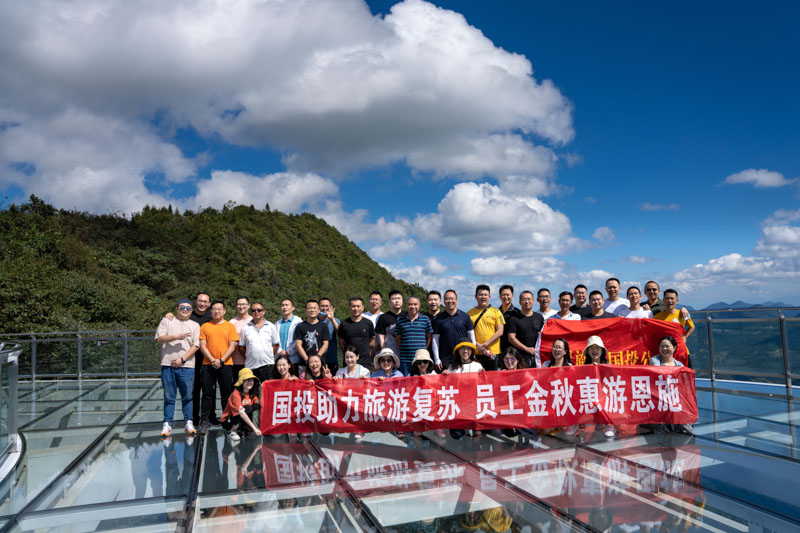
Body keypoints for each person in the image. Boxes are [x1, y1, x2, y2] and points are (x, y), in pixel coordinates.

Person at [156, 298, 200, 436]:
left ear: (191, 310)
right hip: (167, 365)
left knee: (187, 396)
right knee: (169, 397)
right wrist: (176, 336)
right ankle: (167, 423)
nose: (185, 310)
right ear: (177, 308)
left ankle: (188, 422)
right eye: (182, 307)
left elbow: (196, 345)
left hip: (187, 366)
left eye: (188, 308)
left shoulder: (194, 325)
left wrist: (182, 359)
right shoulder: (167, 321)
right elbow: (159, 338)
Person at [198, 301, 239, 433]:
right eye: (214, 309)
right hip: (208, 364)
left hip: (225, 364)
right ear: (211, 311)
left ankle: (225, 420)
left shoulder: (230, 326)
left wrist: (221, 360)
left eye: (219, 309)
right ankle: (205, 421)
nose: (217, 311)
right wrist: (212, 360)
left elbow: (232, 346)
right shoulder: (205, 326)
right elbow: (202, 346)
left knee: (226, 394)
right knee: (207, 394)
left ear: (224, 311)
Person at [649, 335, 693, 434]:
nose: (664, 349)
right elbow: (658, 373)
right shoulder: (655, 360)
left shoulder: (679, 365)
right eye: (662, 346)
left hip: (674, 398)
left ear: (674, 348)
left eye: (667, 346)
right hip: (659, 398)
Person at [443, 339, 484, 439]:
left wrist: (484, 376)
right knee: (456, 435)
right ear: (458, 351)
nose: (465, 351)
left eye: (468, 349)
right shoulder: (452, 367)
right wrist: (444, 376)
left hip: (474, 406)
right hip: (457, 406)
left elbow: (484, 385)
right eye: (462, 348)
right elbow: (446, 386)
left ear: (472, 351)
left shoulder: (477, 366)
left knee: (477, 433)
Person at [432, 289, 476, 372]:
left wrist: (473, 355)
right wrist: (436, 358)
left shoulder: (465, 316)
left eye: (452, 298)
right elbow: (435, 340)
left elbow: (472, 336)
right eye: (447, 299)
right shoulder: (438, 319)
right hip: (445, 358)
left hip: (463, 356)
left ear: (456, 300)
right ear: (444, 301)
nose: (450, 301)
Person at [239, 301, 280, 383]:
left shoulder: (270, 326)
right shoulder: (245, 328)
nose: (256, 312)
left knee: (267, 388)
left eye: (259, 310)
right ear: (251, 312)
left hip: (267, 365)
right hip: (251, 366)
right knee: (252, 389)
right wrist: (251, 355)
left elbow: (275, 345)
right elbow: (241, 347)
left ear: (264, 311)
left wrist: (267, 355)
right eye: (253, 310)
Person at [409, 348, 446, 439]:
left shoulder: (433, 374)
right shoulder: (411, 376)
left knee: (441, 437)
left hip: (432, 406)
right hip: (417, 407)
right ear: (415, 364)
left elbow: (441, 388)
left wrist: (446, 376)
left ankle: (437, 429)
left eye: (425, 361)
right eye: (419, 362)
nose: (422, 364)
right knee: (417, 434)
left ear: (429, 363)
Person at [582, 335, 614, 438]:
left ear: (602, 350)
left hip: (605, 398)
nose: (594, 350)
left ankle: (609, 423)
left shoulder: (608, 366)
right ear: (588, 351)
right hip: (590, 398)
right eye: (591, 348)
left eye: (597, 347)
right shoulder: (583, 368)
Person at [653, 289, 695, 367]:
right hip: (665, 353)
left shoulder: (682, 314)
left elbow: (692, 327)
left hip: (681, 351)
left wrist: (685, 337)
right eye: (667, 298)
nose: (670, 301)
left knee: (686, 373)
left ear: (677, 300)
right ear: (663, 300)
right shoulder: (657, 317)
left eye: (672, 298)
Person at [467, 285, 505, 371]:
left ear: (489, 297)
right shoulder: (469, 314)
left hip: (493, 352)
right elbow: (467, 333)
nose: (483, 297)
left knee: (493, 377)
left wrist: (484, 345)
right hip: (476, 352)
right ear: (475, 296)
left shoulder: (497, 312)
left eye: (485, 295)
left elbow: (500, 331)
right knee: (477, 377)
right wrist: (477, 345)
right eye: (480, 294)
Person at [394, 296, 433, 376]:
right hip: (405, 359)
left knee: (421, 381)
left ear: (419, 305)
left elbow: (429, 337)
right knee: (406, 381)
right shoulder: (400, 320)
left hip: (421, 360)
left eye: (415, 304)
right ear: (406, 306)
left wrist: (424, 350)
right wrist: (404, 349)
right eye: (410, 304)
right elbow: (397, 338)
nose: (413, 306)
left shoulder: (425, 319)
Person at [221, 368, 262, 442]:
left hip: (242, 419)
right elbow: (241, 413)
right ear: (241, 382)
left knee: (256, 406)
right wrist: (255, 429)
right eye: (246, 380)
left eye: (251, 380)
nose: (249, 382)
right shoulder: (236, 394)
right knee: (247, 408)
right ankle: (231, 431)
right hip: (229, 420)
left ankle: (244, 428)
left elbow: (259, 405)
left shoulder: (252, 393)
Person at [506, 290, 544, 368]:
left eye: (529, 299)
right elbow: (511, 338)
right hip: (520, 356)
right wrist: (526, 349)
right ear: (519, 302)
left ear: (533, 301)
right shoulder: (514, 318)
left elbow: (542, 335)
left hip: (537, 355)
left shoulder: (539, 317)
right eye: (524, 299)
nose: (527, 302)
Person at [338, 297, 376, 369]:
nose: (356, 309)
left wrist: (365, 349)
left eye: (358, 306)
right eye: (353, 306)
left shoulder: (368, 323)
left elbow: (372, 340)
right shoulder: (344, 323)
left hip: (365, 361)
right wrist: (347, 353)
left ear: (362, 307)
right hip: (349, 361)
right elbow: (341, 342)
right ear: (349, 307)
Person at [294, 300, 330, 371]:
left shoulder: (323, 326)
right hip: (304, 363)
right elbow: (298, 345)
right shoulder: (300, 326)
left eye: (314, 308)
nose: (312, 310)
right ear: (305, 311)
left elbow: (325, 344)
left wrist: (317, 358)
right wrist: (307, 359)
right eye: (309, 308)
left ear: (318, 310)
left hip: (320, 363)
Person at [229, 296, 253, 384]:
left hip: (251, 361)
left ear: (248, 306)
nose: (241, 306)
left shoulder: (253, 321)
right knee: (236, 386)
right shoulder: (232, 322)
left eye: (243, 304)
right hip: (235, 361)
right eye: (239, 304)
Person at [275, 298, 303, 369]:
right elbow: (275, 340)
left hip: (294, 357)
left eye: (287, 305)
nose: (284, 307)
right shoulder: (277, 323)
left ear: (293, 308)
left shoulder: (298, 322)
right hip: (280, 357)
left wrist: (289, 352)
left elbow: (298, 340)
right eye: (282, 305)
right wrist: (280, 351)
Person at [376, 290, 403, 354]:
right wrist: (384, 351)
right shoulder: (383, 317)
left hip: (406, 352)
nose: (397, 301)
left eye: (399, 298)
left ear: (402, 301)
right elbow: (381, 337)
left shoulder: (407, 316)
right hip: (390, 353)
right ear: (389, 302)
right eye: (394, 299)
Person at [319, 297, 340, 376]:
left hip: (331, 358)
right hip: (317, 359)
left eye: (327, 306)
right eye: (322, 306)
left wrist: (332, 319)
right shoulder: (314, 320)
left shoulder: (336, 320)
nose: (324, 308)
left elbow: (340, 333)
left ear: (330, 307)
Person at [498, 284, 520, 351]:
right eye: (503, 295)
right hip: (498, 347)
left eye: (508, 295)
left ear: (512, 296)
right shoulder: (496, 312)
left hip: (513, 349)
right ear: (499, 296)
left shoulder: (517, 313)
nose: (505, 297)